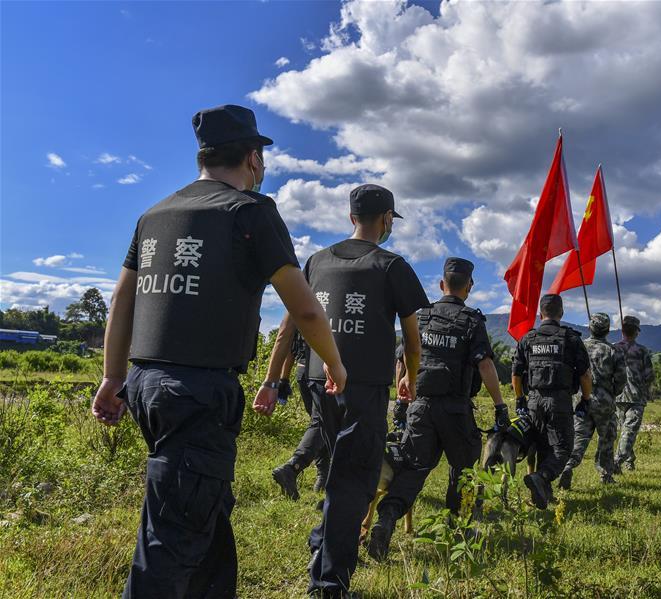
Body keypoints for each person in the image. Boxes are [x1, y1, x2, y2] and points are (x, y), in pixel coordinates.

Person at [90, 104, 346, 598]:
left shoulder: (154, 214)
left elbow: (122, 300)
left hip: (146, 386)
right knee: (171, 543)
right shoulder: (251, 212)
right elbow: (305, 309)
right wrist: (334, 363)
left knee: (204, 517)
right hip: (199, 392)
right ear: (252, 158)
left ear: (202, 156)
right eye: (261, 159)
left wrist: (112, 376)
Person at [258, 184, 429, 597]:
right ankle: (329, 584)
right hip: (364, 387)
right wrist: (410, 377)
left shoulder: (317, 261)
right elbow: (412, 339)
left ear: (351, 217)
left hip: (318, 382)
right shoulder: (391, 265)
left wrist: (272, 380)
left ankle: (322, 543)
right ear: (386, 219)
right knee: (355, 481)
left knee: (339, 471)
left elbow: (287, 328)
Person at [366, 258, 510, 562]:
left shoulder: (422, 317)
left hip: (420, 407)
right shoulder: (472, 320)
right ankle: (457, 532)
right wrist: (500, 406)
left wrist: (402, 400)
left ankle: (386, 520)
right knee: (464, 470)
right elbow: (485, 364)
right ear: (469, 286)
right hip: (456, 410)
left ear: (441, 284)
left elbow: (402, 360)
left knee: (412, 469)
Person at [511, 293, 591, 509]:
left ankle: (543, 495)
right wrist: (585, 399)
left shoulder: (528, 339)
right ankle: (542, 476)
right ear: (561, 313)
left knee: (542, 445)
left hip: (534, 401)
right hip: (559, 401)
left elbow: (516, 373)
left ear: (540, 314)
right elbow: (585, 375)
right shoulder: (571, 339)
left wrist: (519, 399)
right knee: (563, 448)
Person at [558, 313, 626, 488]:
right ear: (608, 330)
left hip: (581, 400)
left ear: (590, 328)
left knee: (579, 437)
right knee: (607, 439)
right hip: (605, 403)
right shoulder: (613, 351)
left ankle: (568, 466)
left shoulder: (579, 347)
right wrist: (612, 393)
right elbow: (621, 379)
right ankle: (605, 475)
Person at [268, 330, 330, 499]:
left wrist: (284, 379)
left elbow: (289, 346)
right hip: (322, 373)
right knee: (322, 423)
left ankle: (323, 477)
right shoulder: (328, 315)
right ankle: (293, 467)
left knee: (320, 424)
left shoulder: (301, 315)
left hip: (302, 372)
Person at [613, 315, 655, 472]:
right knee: (629, 431)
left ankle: (629, 461)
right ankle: (617, 462)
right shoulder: (642, 351)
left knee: (625, 430)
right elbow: (649, 375)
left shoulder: (612, 348)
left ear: (622, 331)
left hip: (616, 396)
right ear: (636, 332)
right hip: (636, 397)